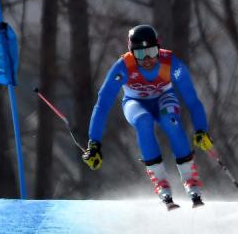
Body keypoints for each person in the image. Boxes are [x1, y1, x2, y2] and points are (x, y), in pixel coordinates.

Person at [82, 24, 213, 209]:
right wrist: (94, 143)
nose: (147, 59)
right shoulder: (123, 67)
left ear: (158, 47)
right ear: (131, 52)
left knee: (171, 120)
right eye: (140, 54)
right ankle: (161, 182)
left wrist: (201, 129)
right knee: (143, 121)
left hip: (164, 99)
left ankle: (190, 179)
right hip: (135, 104)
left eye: (151, 52)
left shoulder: (171, 63)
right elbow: (102, 104)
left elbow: (192, 100)